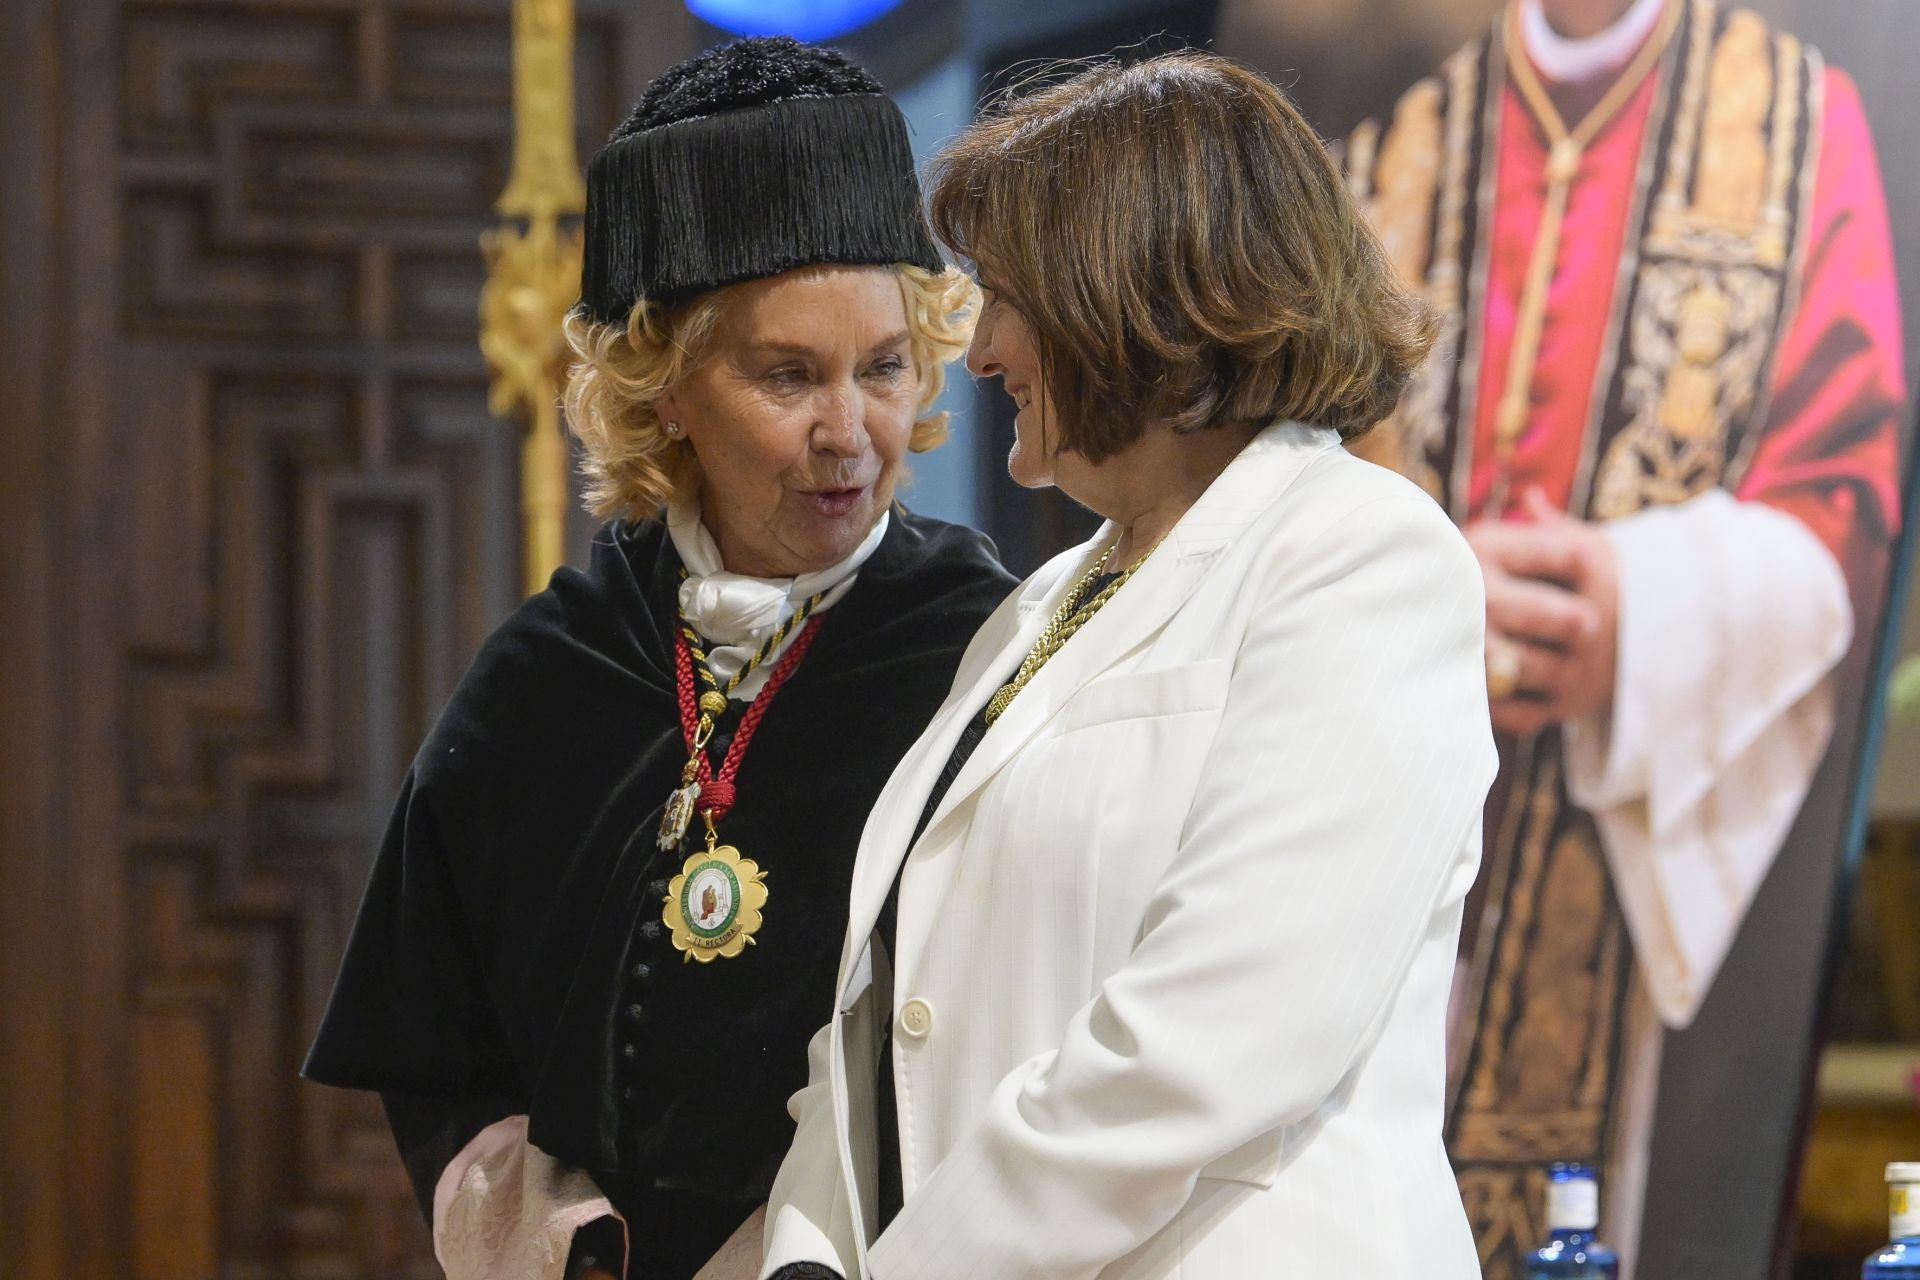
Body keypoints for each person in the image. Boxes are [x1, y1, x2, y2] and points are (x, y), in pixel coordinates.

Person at [759, 52, 1497, 1280]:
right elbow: (878, 1020)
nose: (982, 347)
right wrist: (807, 1254)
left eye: (1009, 294)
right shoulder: (1041, 602)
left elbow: (1214, 1038)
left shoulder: (1362, 556)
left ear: (1141, 294)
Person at [301, 36, 1014, 1280]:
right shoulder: (553, 666)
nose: (851, 433)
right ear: (666, 381)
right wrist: (542, 1230)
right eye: (788, 374)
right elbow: (437, 1044)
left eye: (885, 367)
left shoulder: (987, 650)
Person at [1340, 0, 1906, 1271]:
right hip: (1404, 835)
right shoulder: (1391, 154)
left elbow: (1848, 496)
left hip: (1638, 838)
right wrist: (1430, 588)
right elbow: (1288, 479)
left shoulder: (1801, 125)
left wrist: (1636, 607)